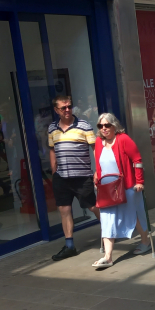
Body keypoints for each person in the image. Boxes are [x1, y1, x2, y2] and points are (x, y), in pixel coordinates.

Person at [91, 113, 150, 268]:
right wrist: (97, 176)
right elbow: (99, 163)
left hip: (127, 186)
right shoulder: (98, 142)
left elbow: (137, 160)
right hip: (106, 189)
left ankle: (145, 241)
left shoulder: (123, 139)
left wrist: (139, 182)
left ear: (114, 125)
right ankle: (108, 257)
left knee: (134, 214)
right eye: (100, 126)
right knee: (107, 219)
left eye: (107, 125)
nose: (104, 128)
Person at [48, 95, 100, 261]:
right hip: (61, 177)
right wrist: (53, 169)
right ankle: (69, 246)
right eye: (63, 108)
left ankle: (110, 233)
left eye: (69, 106)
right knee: (65, 210)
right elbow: (52, 149)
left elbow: (95, 148)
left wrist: (98, 170)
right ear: (56, 110)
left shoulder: (84, 125)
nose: (67, 110)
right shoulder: (52, 129)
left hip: (82, 176)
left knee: (92, 207)